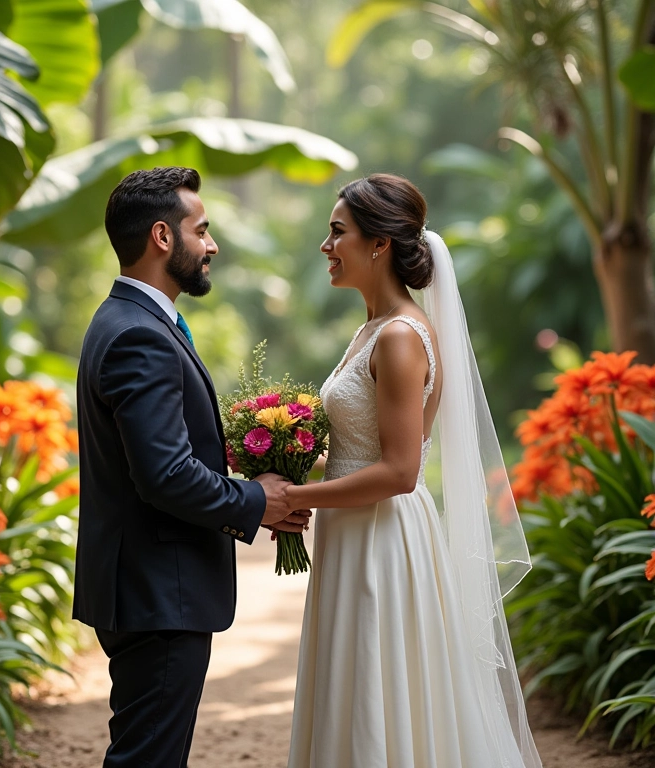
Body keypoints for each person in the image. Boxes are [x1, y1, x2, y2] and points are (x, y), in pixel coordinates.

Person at [285, 174, 543, 767]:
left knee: (377, 686)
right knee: (355, 684)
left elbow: (401, 471)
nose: (326, 246)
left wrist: (296, 496)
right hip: (354, 531)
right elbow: (360, 454)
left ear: (379, 243)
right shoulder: (371, 330)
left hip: (381, 538)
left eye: (337, 232)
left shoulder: (400, 336)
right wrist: (279, 466)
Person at [73, 166, 310, 768]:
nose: (213, 245)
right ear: (162, 236)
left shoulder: (127, 320)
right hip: (159, 590)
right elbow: (166, 474)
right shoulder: (140, 335)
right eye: (201, 230)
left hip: (146, 588)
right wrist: (258, 501)